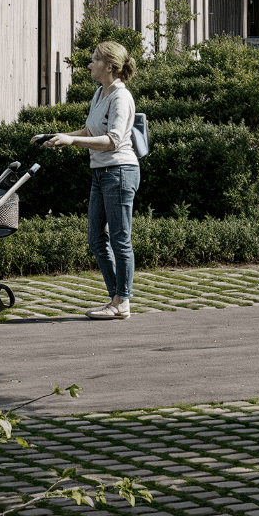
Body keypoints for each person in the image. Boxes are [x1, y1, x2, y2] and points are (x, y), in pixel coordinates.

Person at [79, 42, 148, 318]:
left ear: (109, 66)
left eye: (95, 59)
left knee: (120, 239)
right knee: (96, 238)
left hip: (119, 172)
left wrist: (71, 141)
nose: (89, 64)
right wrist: (57, 138)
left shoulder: (121, 97)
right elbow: (89, 130)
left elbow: (113, 141)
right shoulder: (100, 93)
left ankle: (123, 302)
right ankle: (116, 298)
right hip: (101, 172)